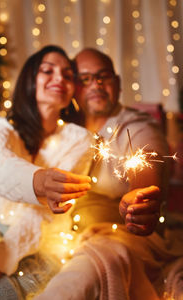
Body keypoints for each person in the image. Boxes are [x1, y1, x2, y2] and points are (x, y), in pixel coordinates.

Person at [34, 49, 183, 300]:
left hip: (119, 238)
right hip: (62, 236)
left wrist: (140, 200)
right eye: (85, 79)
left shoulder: (136, 127)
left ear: (118, 84)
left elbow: (146, 162)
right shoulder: (62, 129)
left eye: (104, 76)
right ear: (73, 89)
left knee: (78, 279)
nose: (97, 84)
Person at [0, 45, 93, 298]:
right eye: (47, 71)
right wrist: (39, 181)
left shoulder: (80, 140)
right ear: (30, 80)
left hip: (45, 246)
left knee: (4, 294)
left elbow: (43, 216)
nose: (59, 79)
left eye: (67, 75)